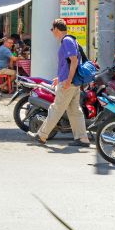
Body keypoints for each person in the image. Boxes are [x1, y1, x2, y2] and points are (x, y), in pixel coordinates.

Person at [35, 18, 90, 147]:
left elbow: (74, 60)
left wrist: (67, 80)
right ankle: (82, 138)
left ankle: (42, 135)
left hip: (69, 83)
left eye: (52, 29)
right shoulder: (70, 40)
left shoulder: (66, 41)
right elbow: (68, 63)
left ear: (56, 29)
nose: (52, 32)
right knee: (74, 110)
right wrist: (59, 77)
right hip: (71, 82)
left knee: (56, 109)